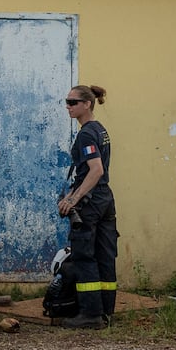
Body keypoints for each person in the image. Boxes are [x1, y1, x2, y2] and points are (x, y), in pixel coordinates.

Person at [57, 84, 118, 330]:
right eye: (67, 102)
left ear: (87, 104)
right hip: (105, 198)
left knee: (85, 256)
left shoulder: (86, 134)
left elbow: (95, 170)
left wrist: (73, 199)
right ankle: (106, 311)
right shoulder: (99, 130)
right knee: (106, 256)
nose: (68, 107)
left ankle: (90, 315)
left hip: (91, 202)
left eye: (73, 103)